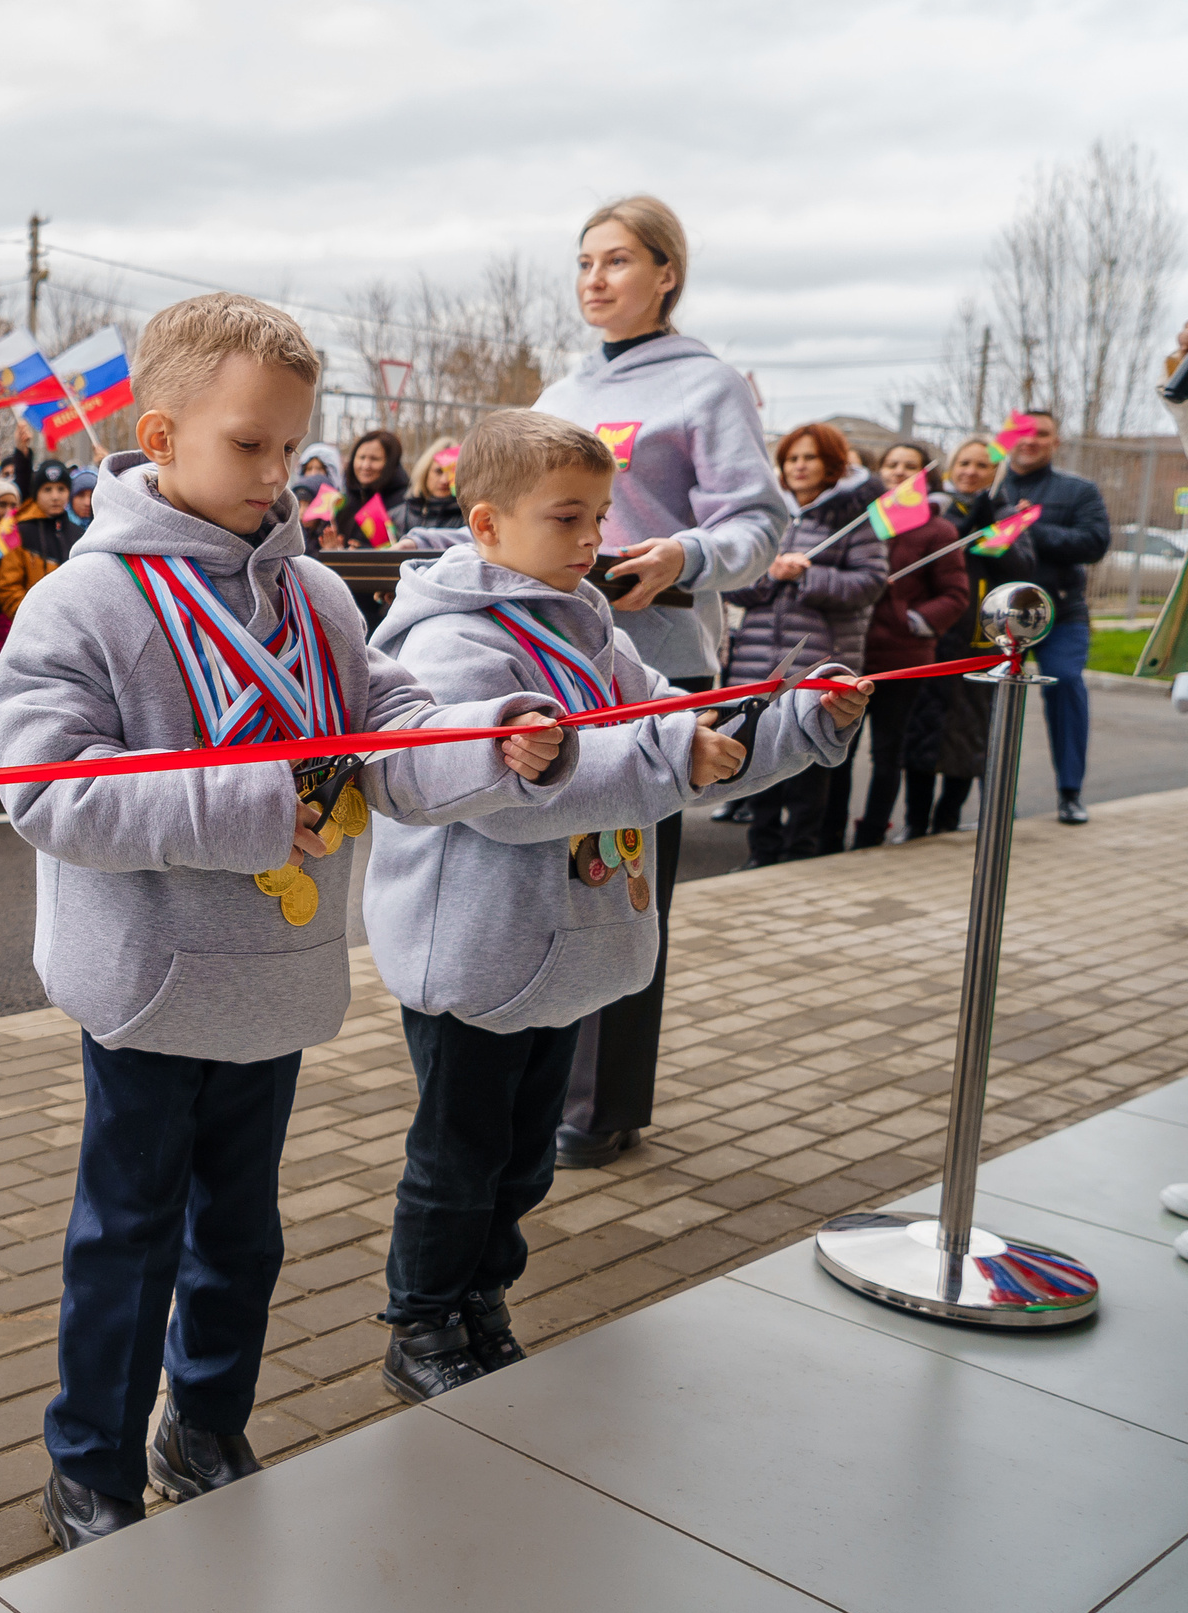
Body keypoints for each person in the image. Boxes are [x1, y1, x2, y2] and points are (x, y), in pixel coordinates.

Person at [0, 294, 570, 1551]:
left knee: (242, 1234)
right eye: (248, 446)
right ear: (160, 432)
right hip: (148, 986)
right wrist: (257, 803)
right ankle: (87, 1466)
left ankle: (207, 1425)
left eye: (292, 450)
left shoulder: (315, 596)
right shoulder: (79, 603)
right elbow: (42, 785)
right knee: (126, 1240)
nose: (276, 475)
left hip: (277, 981)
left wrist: (488, 742)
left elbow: (392, 727)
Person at [363, 411, 865, 1395]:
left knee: (518, 1165)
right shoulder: (452, 644)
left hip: (564, 950)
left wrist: (797, 722)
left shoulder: (590, 626)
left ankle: (481, 1300)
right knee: (456, 1160)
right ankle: (419, 1322)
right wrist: (669, 754)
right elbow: (511, 800)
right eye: (567, 520)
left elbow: (675, 736)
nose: (593, 544)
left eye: (598, 519)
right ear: (487, 523)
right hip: (480, 953)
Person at [532, 194, 789, 1169]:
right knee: (549, 880)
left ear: (666, 273)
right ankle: (544, 1078)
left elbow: (760, 528)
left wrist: (681, 555)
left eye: (617, 261)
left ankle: (602, 1108)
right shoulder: (556, 394)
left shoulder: (707, 386)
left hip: (658, 667)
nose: (594, 279)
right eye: (584, 262)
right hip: (554, 661)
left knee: (622, 885)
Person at [721, 422, 884, 868]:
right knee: (758, 758)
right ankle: (762, 852)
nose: (798, 466)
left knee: (808, 763)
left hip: (818, 661)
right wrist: (770, 574)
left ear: (831, 463)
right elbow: (731, 584)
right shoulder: (768, 516)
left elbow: (871, 583)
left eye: (809, 457)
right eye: (791, 457)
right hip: (756, 662)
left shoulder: (856, 519)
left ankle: (800, 857)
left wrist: (809, 576)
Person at [834, 440, 969, 850]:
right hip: (850, 654)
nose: (898, 472)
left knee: (888, 753)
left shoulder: (939, 530)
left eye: (910, 466)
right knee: (837, 750)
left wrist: (911, 621)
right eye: (891, 464)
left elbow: (955, 595)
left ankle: (872, 833)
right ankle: (828, 833)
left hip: (902, 659)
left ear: (926, 478)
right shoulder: (857, 521)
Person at [903, 439, 1029, 838]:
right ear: (952, 466)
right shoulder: (932, 510)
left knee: (966, 733)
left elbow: (1023, 567)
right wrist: (960, 527)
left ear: (996, 473)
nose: (971, 471)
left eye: (982, 465)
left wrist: (993, 530)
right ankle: (914, 822)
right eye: (964, 463)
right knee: (920, 729)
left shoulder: (1007, 514)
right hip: (932, 635)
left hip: (979, 639)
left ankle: (946, 821)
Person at [992, 410, 1108, 824]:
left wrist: (1029, 526)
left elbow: (1094, 543)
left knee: (1067, 685)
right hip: (997, 621)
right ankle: (997, 799)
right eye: (1023, 433)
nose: (1031, 441)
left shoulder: (1078, 490)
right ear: (1008, 438)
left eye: (1042, 434)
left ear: (1056, 442)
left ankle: (1070, 792)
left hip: (1060, 615)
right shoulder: (991, 486)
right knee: (991, 699)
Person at [0, 458, 77, 617]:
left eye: (61, 489)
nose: (55, 496)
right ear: (36, 493)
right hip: (33, 627)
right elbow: (7, 589)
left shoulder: (80, 534)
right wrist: (37, 618)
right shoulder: (18, 531)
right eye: (47, 489)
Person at [395, 438, 464, 534]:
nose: (444, 480)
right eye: (438, 471)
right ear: (426, 472)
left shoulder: (470, 520)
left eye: (452, 473)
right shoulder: (398, 517)